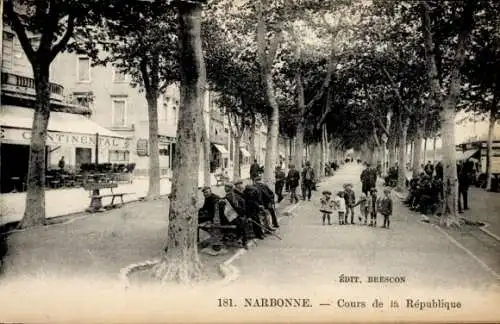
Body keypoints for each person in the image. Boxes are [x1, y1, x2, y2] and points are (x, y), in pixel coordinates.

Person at [223, 182, 249, 248]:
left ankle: (242, 240)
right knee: (243, 223)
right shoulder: (232, 195)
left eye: (226, 187)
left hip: (235, 216)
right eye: (225, 187)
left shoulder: (230, 196)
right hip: (235, 216)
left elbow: (237, 207)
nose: (225, 188)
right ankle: (243, 240)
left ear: (230, 188)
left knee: (242, 223)